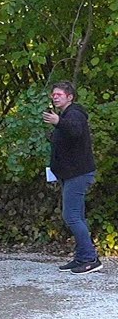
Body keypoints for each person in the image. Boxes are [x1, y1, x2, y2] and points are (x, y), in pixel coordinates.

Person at [43, 81, 101, 274]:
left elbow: (75, 130)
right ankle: (82, 257)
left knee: (71, 216)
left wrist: (58, 123)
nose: (55, 97)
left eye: (59, 94)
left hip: (78, 173)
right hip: (71, 173)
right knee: (79, 216)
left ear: (70, 97)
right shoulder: (66, 116)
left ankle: (90, 258)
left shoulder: (74, 114)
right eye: (54, 94)